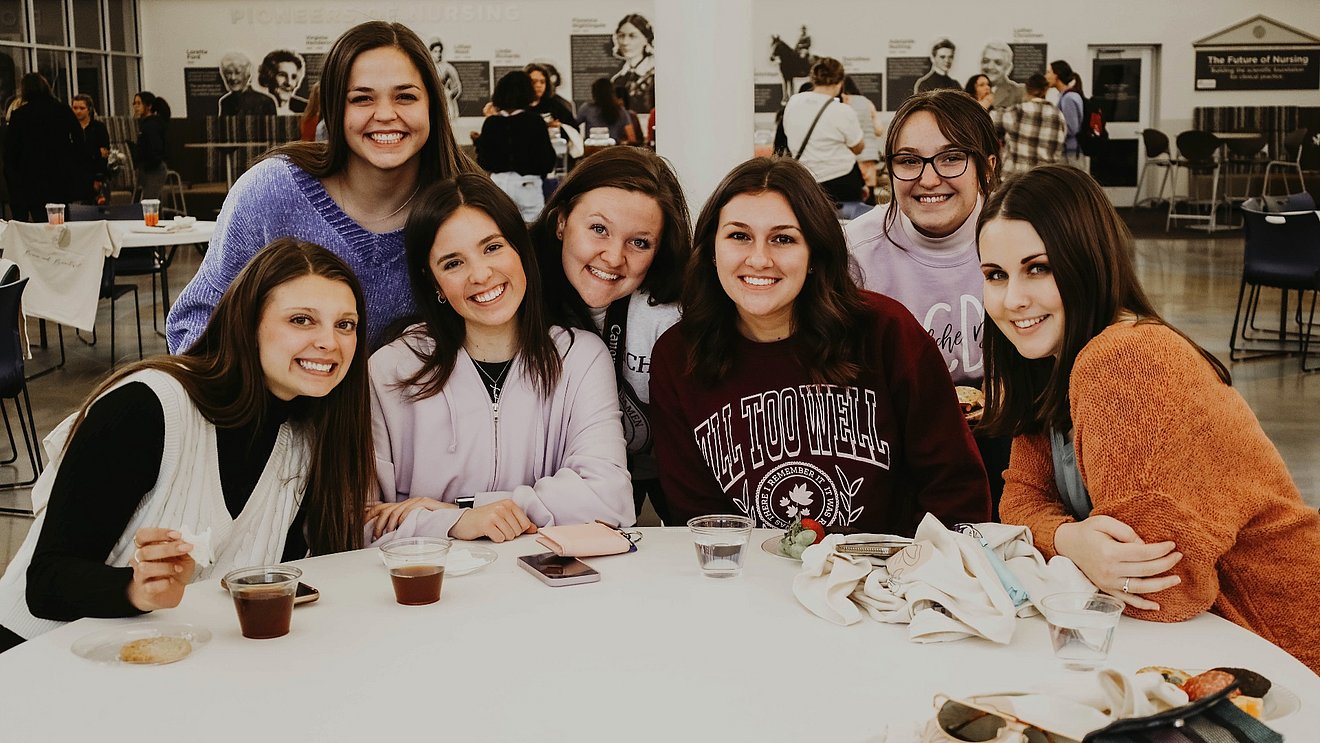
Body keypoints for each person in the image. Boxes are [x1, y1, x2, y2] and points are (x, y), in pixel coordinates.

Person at [979, 165, 1320, 674]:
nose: (1012, 300)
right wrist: (1072, 540)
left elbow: (1163, 594)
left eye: (1039, 268)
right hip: (1217, 643)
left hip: (1279, 645)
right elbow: (1019, 500)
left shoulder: (1125, 358)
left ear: (1087, 261)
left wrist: (1069, 545)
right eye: (995, 275)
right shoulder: (1055, 362)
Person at [0, 238, 373, 654]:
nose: (330, 342)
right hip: (33, 665)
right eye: (302, 320)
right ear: (249, 325)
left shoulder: (305, 440)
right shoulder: (147, 407)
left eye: (345, 324)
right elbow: (48, 581)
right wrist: (135, 590)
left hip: (159, 670)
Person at [651, 157, 990, 535]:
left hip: (884, 582)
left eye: (783, 239)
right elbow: (696, 517)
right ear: (712, 250)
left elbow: (955, 489)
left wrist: (909, 579)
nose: (760, 259)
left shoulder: (886, 333)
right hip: (749, 585)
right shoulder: (678, 356)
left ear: (814, 252)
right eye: (739, 236)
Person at [167, 21, 478, 355]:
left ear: (432, 105)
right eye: (361, 99)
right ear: (333, 109)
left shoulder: (466, 205)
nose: (386, 114)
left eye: (405, 96)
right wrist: (256, 400)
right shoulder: (271, 192)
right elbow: (198, 319)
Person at [367, 174, 633, 543]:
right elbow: (360, 524)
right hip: (434, 592)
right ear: (434, 282)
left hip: (547, 588)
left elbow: (610, 500)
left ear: (519, 249)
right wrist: (455, 524)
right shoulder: (390, 370)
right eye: (453, 263)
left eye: (492, 248)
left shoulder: (580, 357)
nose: (481, 274)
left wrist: (464, 511)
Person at [843, 89, 1009, 509]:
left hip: (1005, 439)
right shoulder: (855, 252)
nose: (929, 178)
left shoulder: (1018, 238)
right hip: (892, 442)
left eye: (951, 157)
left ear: (987, 167)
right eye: (909, 160)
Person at [529, 147, 691, 522]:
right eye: (598, 229)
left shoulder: (674, 312)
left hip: (670, 466)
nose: (614, 257)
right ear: (560, 221)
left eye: (639, 242)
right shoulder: (521, 298)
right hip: (570, 480)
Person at [780, 57, 865, 217]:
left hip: (806, 180)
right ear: (840, 82)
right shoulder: (842, 111)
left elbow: (786, 132)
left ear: (813, 79)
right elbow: (858, 147)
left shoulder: (794, 102)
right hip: (842, 180)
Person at [475, 71, 557, 221]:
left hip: (498, 185)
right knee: (532, 233)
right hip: (528, 185)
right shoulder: (535, 121)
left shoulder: (491, 123)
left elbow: (483, 160)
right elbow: (547, 161)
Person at [3, 73, 84, 221]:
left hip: (31, 180)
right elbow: (79, 141)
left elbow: (11, 153)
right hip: (60, 178)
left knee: (38, 223)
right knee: (60, 224)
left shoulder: (19, 115)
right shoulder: (62, 110)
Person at [992, 74, 1066, 176]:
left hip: (1015, 178)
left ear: (1026, 89)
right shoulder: (1058, 115)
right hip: (1044, 178)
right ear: (1046, 90)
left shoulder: (1017, 111)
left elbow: (990, 120)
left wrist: (987, 101)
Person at [842, 76, 883, 202]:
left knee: (855, 196)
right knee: (869, 193)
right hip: (870, 154)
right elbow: (879, 130)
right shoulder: (866, 102)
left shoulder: (842, 102)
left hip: (851, 154)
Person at [610, 13, 655, 112]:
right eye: (621, 36)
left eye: (632, 36)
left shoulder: (654, 75)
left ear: (646, 39)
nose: (625, 42)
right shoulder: (617, 79)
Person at [71, 94, 111, 204]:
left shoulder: (98, 128)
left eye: (81, 108)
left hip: (94, 174)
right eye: (75, 108)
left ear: (89, 109)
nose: (78, 111)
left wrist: (99, 178)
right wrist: (95, 152)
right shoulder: (70, 128)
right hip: (75, 175)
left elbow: (104, 154)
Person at [1046, 60, 1085, 167]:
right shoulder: (1065, 96)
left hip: (1070, 153)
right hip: (1068, 151)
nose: (1046, 76)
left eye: (1048, 72)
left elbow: (1072, 128)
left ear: (1057, 75)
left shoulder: (1068, 98)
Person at [133, 91, 170, 201]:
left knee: (149, 202)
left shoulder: (152, 124)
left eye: (139, 103)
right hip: (148, 168)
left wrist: (148, 163)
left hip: (154, 169)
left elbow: (155, 147)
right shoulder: (146, 123)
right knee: (153, 203)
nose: (135, 107)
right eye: (134, 103)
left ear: (149, 106)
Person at [577, 77, 636, 146]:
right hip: (613, 151)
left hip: (593, 150)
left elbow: (573, 126)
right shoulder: (621, 111)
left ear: (594, 94)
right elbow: (632, 138)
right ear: (612, 93)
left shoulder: (587, 108)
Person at [217, 51, 276, 116]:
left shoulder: (265, 101)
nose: (233, 78)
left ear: (247, 74)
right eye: (229, 73)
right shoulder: (225, 102)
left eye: (238, 73)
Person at [258, 49, 309, 116]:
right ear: (268, 77)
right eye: (282, 75)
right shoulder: (255, 109)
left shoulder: (307, 109)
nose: (289, 83)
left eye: (293, 77)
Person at [979, 42, 1023, 109]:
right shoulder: (969, 90)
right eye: (986, 61)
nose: (990, 67)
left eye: (998, 62)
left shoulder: (1018, 92)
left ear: (1008, 67)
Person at [428, 37, 463, 118]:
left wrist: (449, 95)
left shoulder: (447, 67)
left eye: (440, 51)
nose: (438, 54)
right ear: (430, 52)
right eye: (435, 51)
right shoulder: (427, 67)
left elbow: (457, 86)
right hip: (431, 101)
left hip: (445, 101)